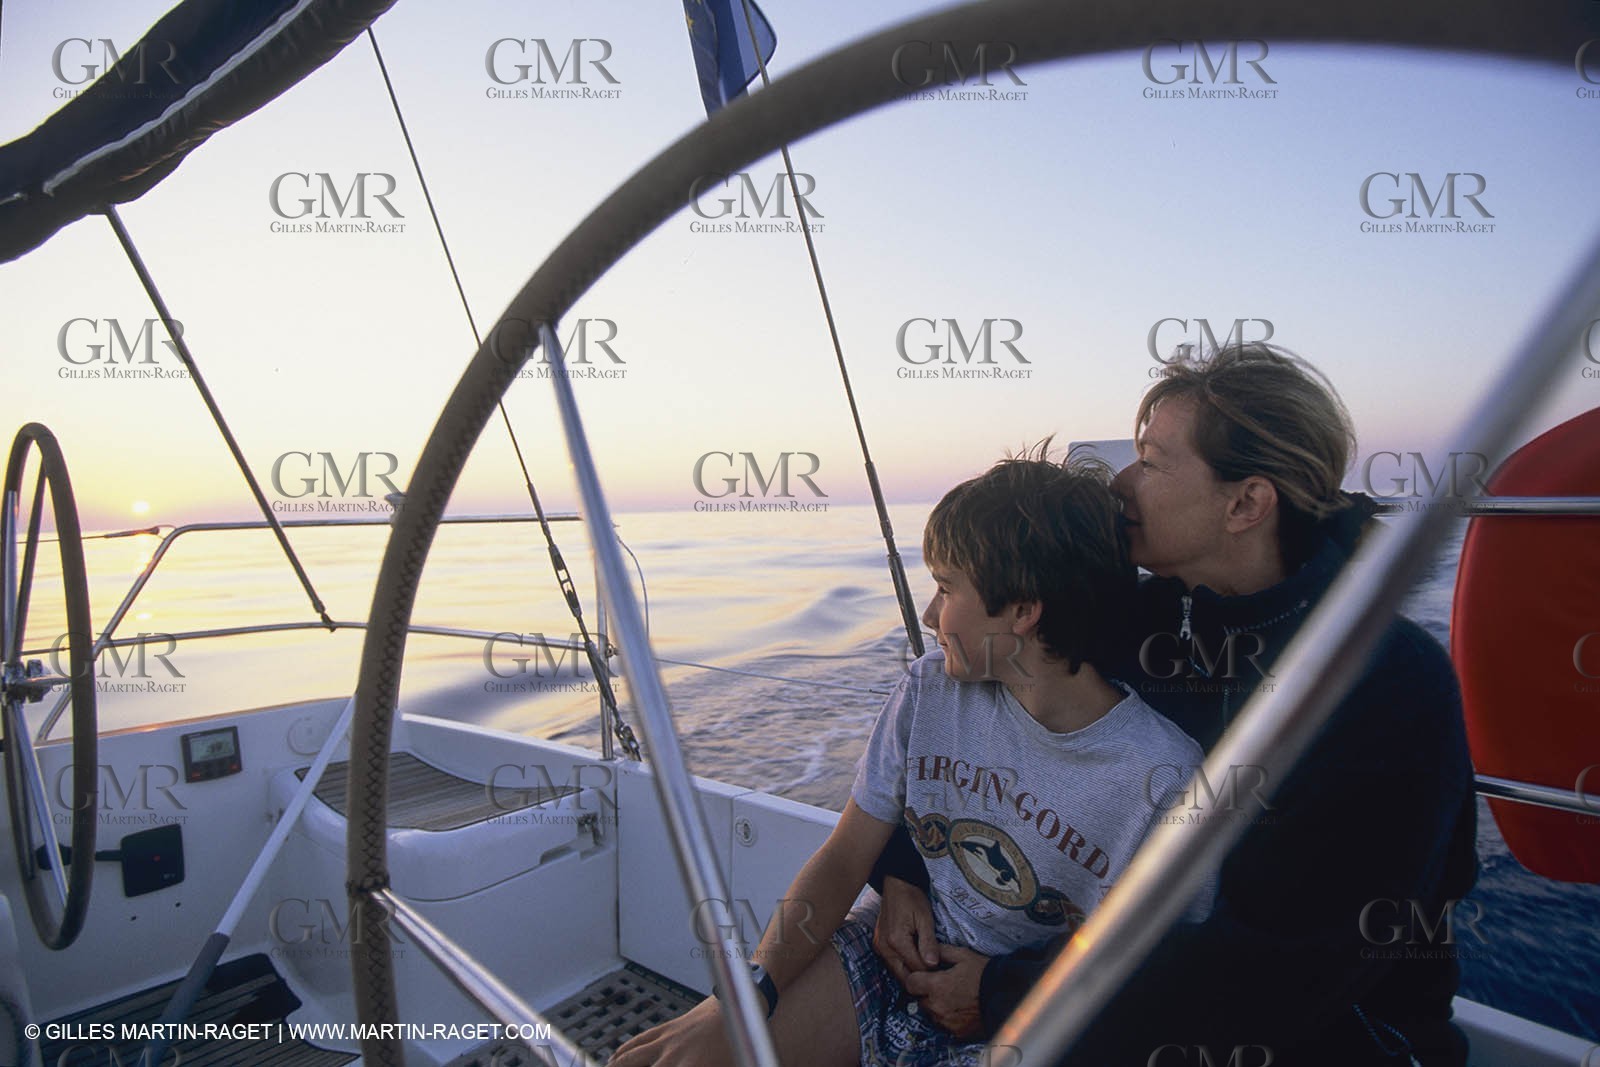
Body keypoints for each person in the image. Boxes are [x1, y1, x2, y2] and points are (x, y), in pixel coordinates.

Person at [868, 343, 1479, 1066]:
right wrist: (904, 866)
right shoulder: (1140, 618)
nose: (1120, 484)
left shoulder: (1387, 686)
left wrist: (1006, 992)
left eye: (1152, 462)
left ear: (1245, 504)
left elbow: (1285, 973)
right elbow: (975, 720)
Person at [612, 449, 1211, 1067]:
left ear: (1023, 611)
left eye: (946, 589)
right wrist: (741, 1000)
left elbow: (1149, 974)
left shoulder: (1161, 778)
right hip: (895, 957)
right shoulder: (930, 688)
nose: (929, 615)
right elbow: (845, 856)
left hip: (1031, 1016)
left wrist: (1000, 996)